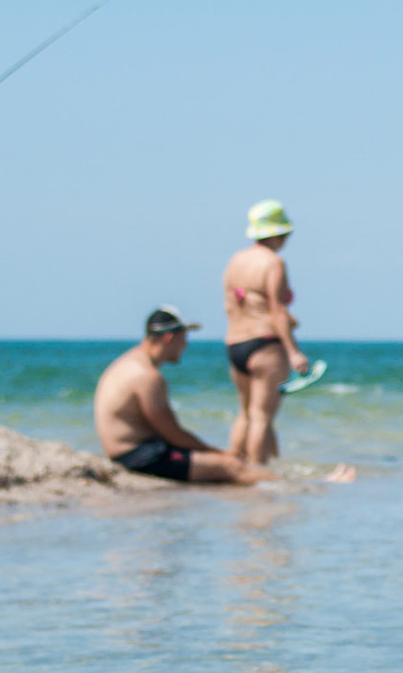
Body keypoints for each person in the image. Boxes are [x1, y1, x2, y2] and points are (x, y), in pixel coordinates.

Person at [94, 306, 279, 484]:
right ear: (169, 338)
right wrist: (218, 453)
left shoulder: (129, 363)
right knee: (232, 466)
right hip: (139, 458)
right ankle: (288, 490)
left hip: (133, 452)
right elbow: (173, 433)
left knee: (223, 468)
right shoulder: (147, 376)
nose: (185, 344)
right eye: (183, 338)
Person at [221, 201, 310, 463]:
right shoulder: (273, 263)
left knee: (246, 413)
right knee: (262, 417)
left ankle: (235, 467)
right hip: (265, 345)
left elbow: (238, 303)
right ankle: (259, 478)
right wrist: (294, 353)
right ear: (279, 233)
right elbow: (277, 311)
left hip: (235, 343)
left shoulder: (235, 260)